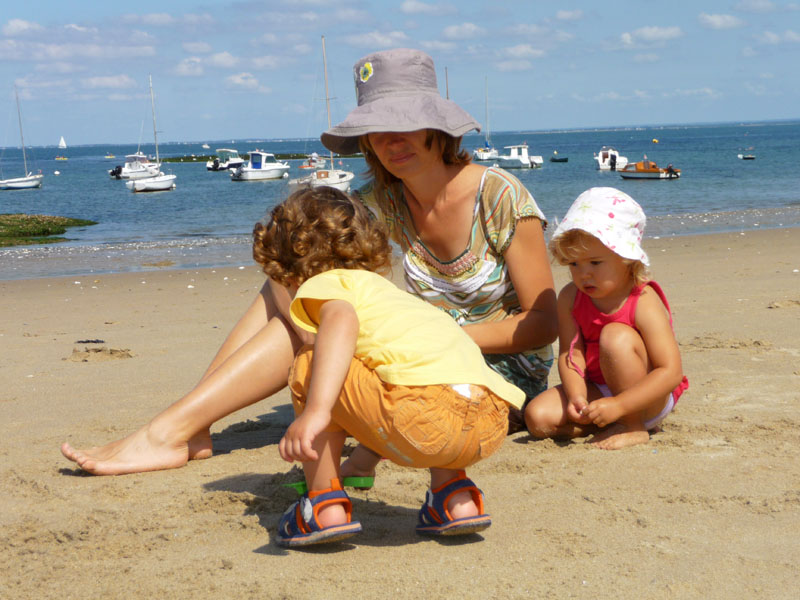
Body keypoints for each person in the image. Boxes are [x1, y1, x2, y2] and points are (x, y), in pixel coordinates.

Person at [61, 47, 556, 476]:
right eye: (378, 130)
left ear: (437, 127)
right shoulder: (379, 201)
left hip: (488, 379)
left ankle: (176, 429)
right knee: (298, 283)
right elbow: (295, 265)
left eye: (406, 126)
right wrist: (311, 312)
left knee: (317, 311)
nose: (392, 142)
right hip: (415, 360)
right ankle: (194, 422)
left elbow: (543, 322)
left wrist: (431, 335)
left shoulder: (499, 195)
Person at [256, 187, 523, 547]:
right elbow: (404, 376)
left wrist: (316, 411)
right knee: (418, 377)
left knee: (312, 361)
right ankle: (456, 499)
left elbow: (340, 321)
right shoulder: (391, 297)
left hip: (424, 419)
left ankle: (324, 505)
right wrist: (363, 460)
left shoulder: (327, 285)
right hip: (489, 421)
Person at [524, 187, 688, 450]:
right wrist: (577, 396)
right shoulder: (570, 297)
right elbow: (571, 353)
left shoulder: (642, 300)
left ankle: (633, 426)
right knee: (538, 417)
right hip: (599, 388)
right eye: (574, 264)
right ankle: (608, 421)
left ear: (626, 257)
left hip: (647, 395)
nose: (584, 274)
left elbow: (671, 373)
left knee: (615, 336)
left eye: (595, 263)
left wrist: (621, 405)